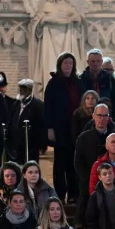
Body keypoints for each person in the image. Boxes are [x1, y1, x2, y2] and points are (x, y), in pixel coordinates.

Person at [44, 52, 82, 203]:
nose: (68, 66)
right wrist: (50, 128)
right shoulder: (54, 83)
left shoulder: (78, 82)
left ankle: (73, 194)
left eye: (70, 63)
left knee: (74, 162)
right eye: (65, 63)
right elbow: (48, 107)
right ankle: (60, 193)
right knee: (60, 162)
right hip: (60, 128)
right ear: (60, 64)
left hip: (76, 128)